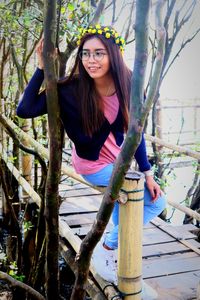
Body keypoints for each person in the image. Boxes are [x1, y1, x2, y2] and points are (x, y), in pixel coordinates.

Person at [17, 25, 166, 295]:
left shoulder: (130, 86)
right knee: (132, 200)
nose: (91, 60)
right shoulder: (71, 89)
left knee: (156, 203)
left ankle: (107, 245)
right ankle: (108, 251)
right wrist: (41, 67)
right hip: (92, 165)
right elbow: (24, 110)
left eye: (99, 53)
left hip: (119, 163)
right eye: (86, 54)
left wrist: (148, 173)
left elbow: (137, 133)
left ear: (113, 55)